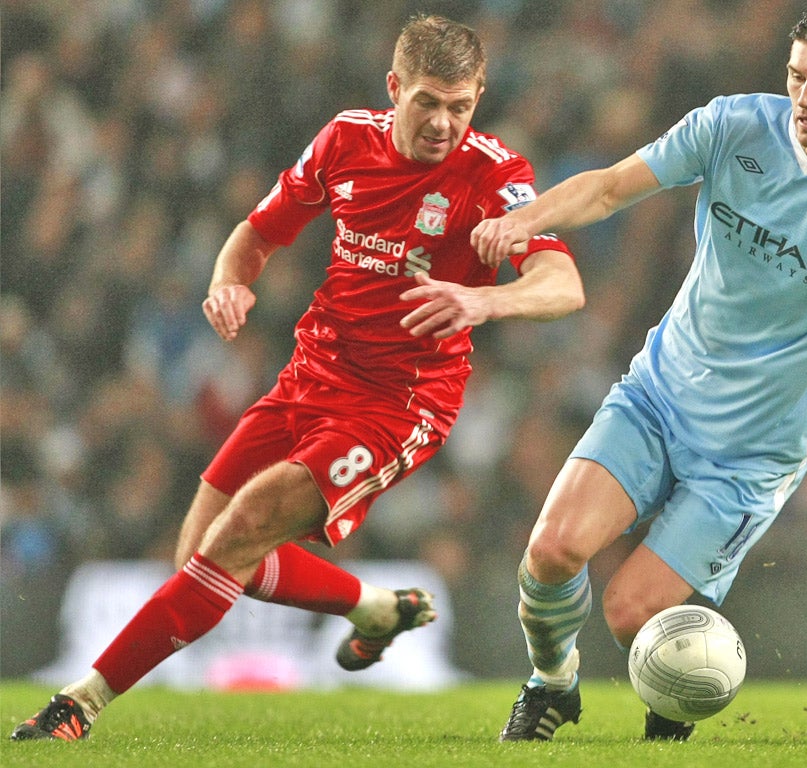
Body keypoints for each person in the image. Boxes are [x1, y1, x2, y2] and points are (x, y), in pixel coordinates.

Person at [12, 14, 584, 742]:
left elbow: (563, 284)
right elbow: (258, 233)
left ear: (478, 99)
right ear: (393, 88)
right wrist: (231, 282)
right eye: (428, 102)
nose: (444, 122)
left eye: (460, 105)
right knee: (201, 556)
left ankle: (79, 704)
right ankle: (372, 607)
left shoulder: (494, 174)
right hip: (311, 373)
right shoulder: (346, 138)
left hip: (396, 405)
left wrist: (486, 297)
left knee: (244, 527)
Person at [472, 0, 807, 743]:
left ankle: (672, 711)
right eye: (796, 77)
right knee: (550, 554)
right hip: (657, 396)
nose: (805, 99)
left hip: (750, 453)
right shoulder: (730, 126)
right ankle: (553, 685)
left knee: (632, 613)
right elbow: (611, 185)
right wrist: (527, 220)